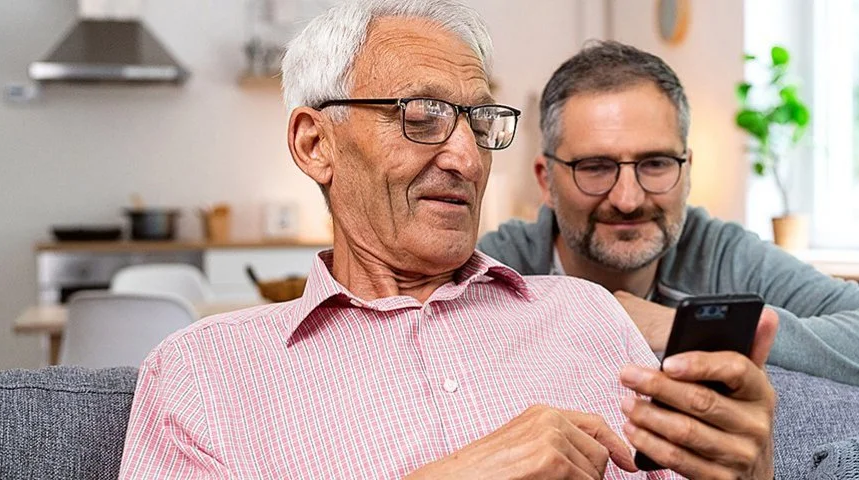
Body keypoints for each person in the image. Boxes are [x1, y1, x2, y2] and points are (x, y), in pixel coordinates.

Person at [118, 2, 776, 478]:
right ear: (314, 144)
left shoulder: (588, 312)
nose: (467, 156)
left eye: (479, 118)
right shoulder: (200, 376)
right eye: (422, 116)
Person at [478, 41, 859, 412]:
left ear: (687, 169)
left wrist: (684, 327)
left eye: (656, 163)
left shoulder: (723, 253)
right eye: (596, 167)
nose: (628, 198)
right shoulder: (496, 266)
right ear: (546, 180)